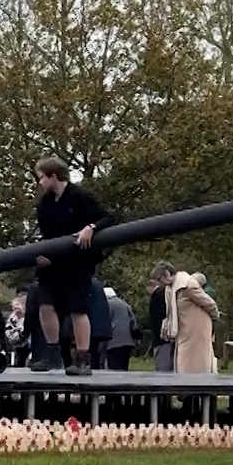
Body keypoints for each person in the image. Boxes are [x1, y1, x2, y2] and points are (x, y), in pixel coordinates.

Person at [30, 157, 112, 375]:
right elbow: (47, 236)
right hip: (53, 263)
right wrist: (44, 255)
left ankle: (84, 358)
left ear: (53, 176)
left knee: (77, 309)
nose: (39, 183)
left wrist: (90, 228)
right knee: (45, 305)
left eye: (41, 177)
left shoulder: (79, 197)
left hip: (76, 262)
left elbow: (108, 218)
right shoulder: (44, 205)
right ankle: (52, 353)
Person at [153, 263, 219, 374]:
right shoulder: (171, 289)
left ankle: (198, 387)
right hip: (184, 331)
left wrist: (214, 315)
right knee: (183, 364)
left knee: (194, 364)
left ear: (167, 274)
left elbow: (209, 303)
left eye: (160, 279)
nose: (161, 283)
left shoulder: (188, 284)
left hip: (195, 331)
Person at [104, 286, 138, 371]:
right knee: (124, 365)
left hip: (113, 340)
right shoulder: (124, 303)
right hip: (127, 340)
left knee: (114, 366)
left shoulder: (108, 304)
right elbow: (133, 320)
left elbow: (105, 321)